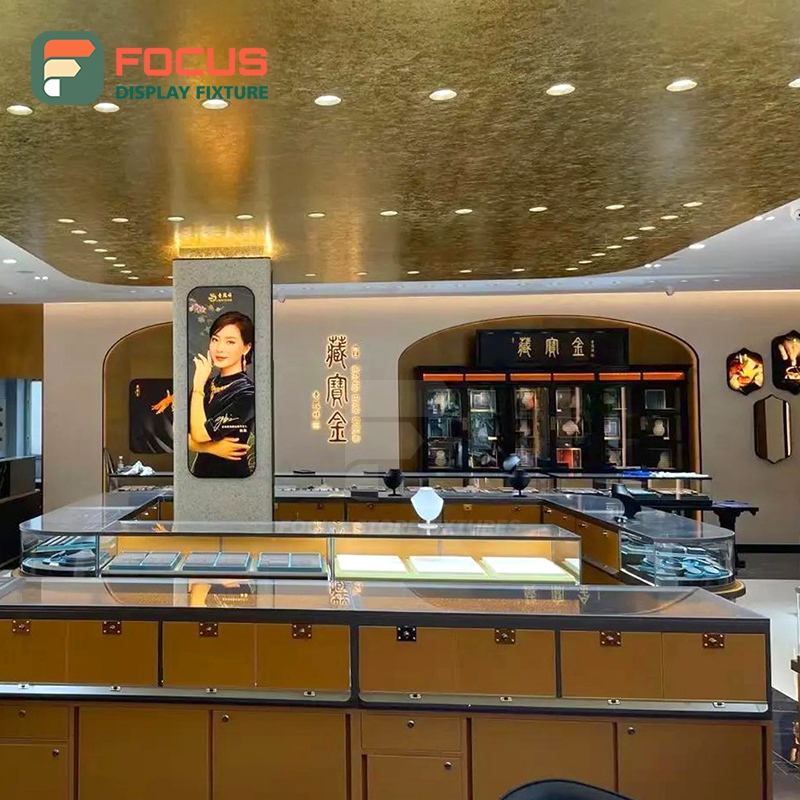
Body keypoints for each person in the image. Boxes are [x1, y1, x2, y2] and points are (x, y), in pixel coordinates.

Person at [189, 311, 255, 477]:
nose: (219, 348)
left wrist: (197, 388)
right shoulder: (204, 384)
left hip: (235, 479)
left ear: (246, 347)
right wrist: (212, 448)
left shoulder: (247, 393)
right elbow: (178, 437)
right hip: (197, 478)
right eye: (215, 340)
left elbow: (200, 434)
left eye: (230, 342)